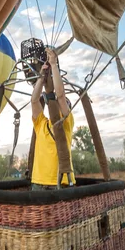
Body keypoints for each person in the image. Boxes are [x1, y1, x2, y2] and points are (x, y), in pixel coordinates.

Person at [31, 47, 75, 190]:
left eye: (66, 103)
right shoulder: (41, 124)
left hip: (61, 182)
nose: (62, 102)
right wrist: (41, 77)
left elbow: (61, 96)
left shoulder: (66, 123)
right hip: (38, 183)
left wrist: (54, 65)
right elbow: (34, 101)